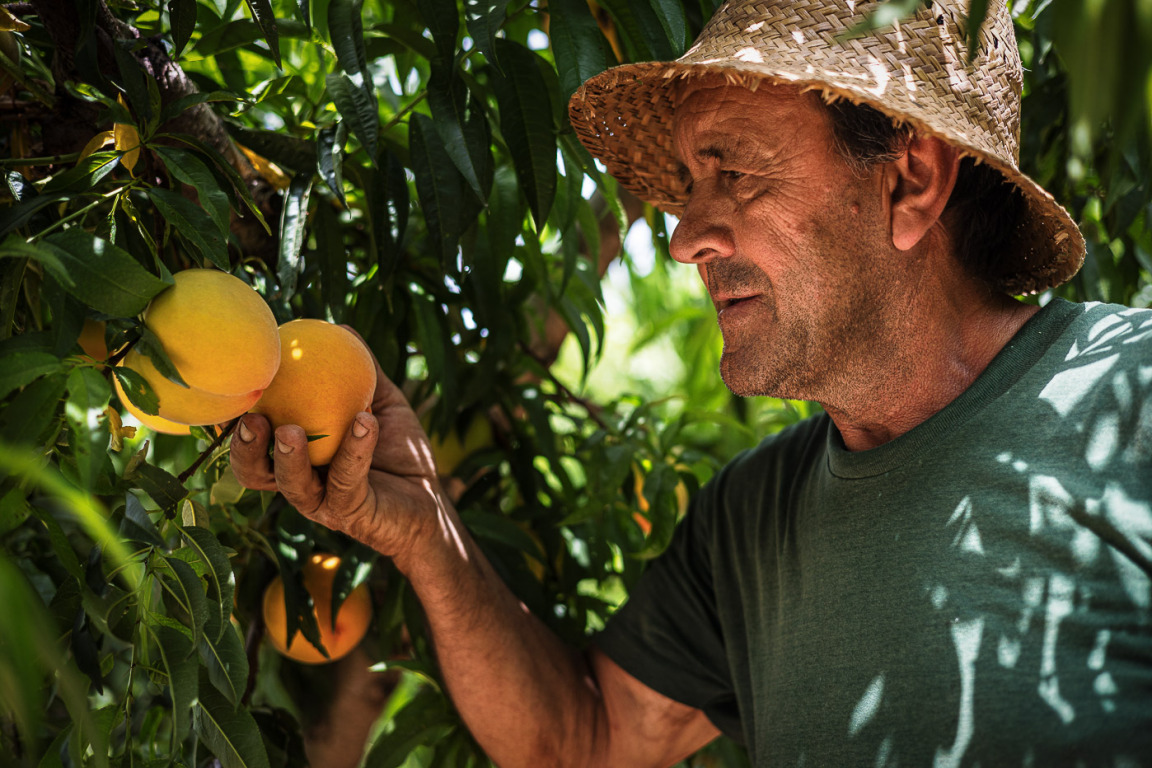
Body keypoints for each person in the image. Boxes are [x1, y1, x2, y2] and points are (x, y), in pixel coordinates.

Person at [231, 0, 1152, 765]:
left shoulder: (1133, 396)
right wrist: (424, 531)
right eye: (685, 185)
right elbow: (580, 742)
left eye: (734, 174)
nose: (684, 237)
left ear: (909, 183)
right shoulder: (750, 522)